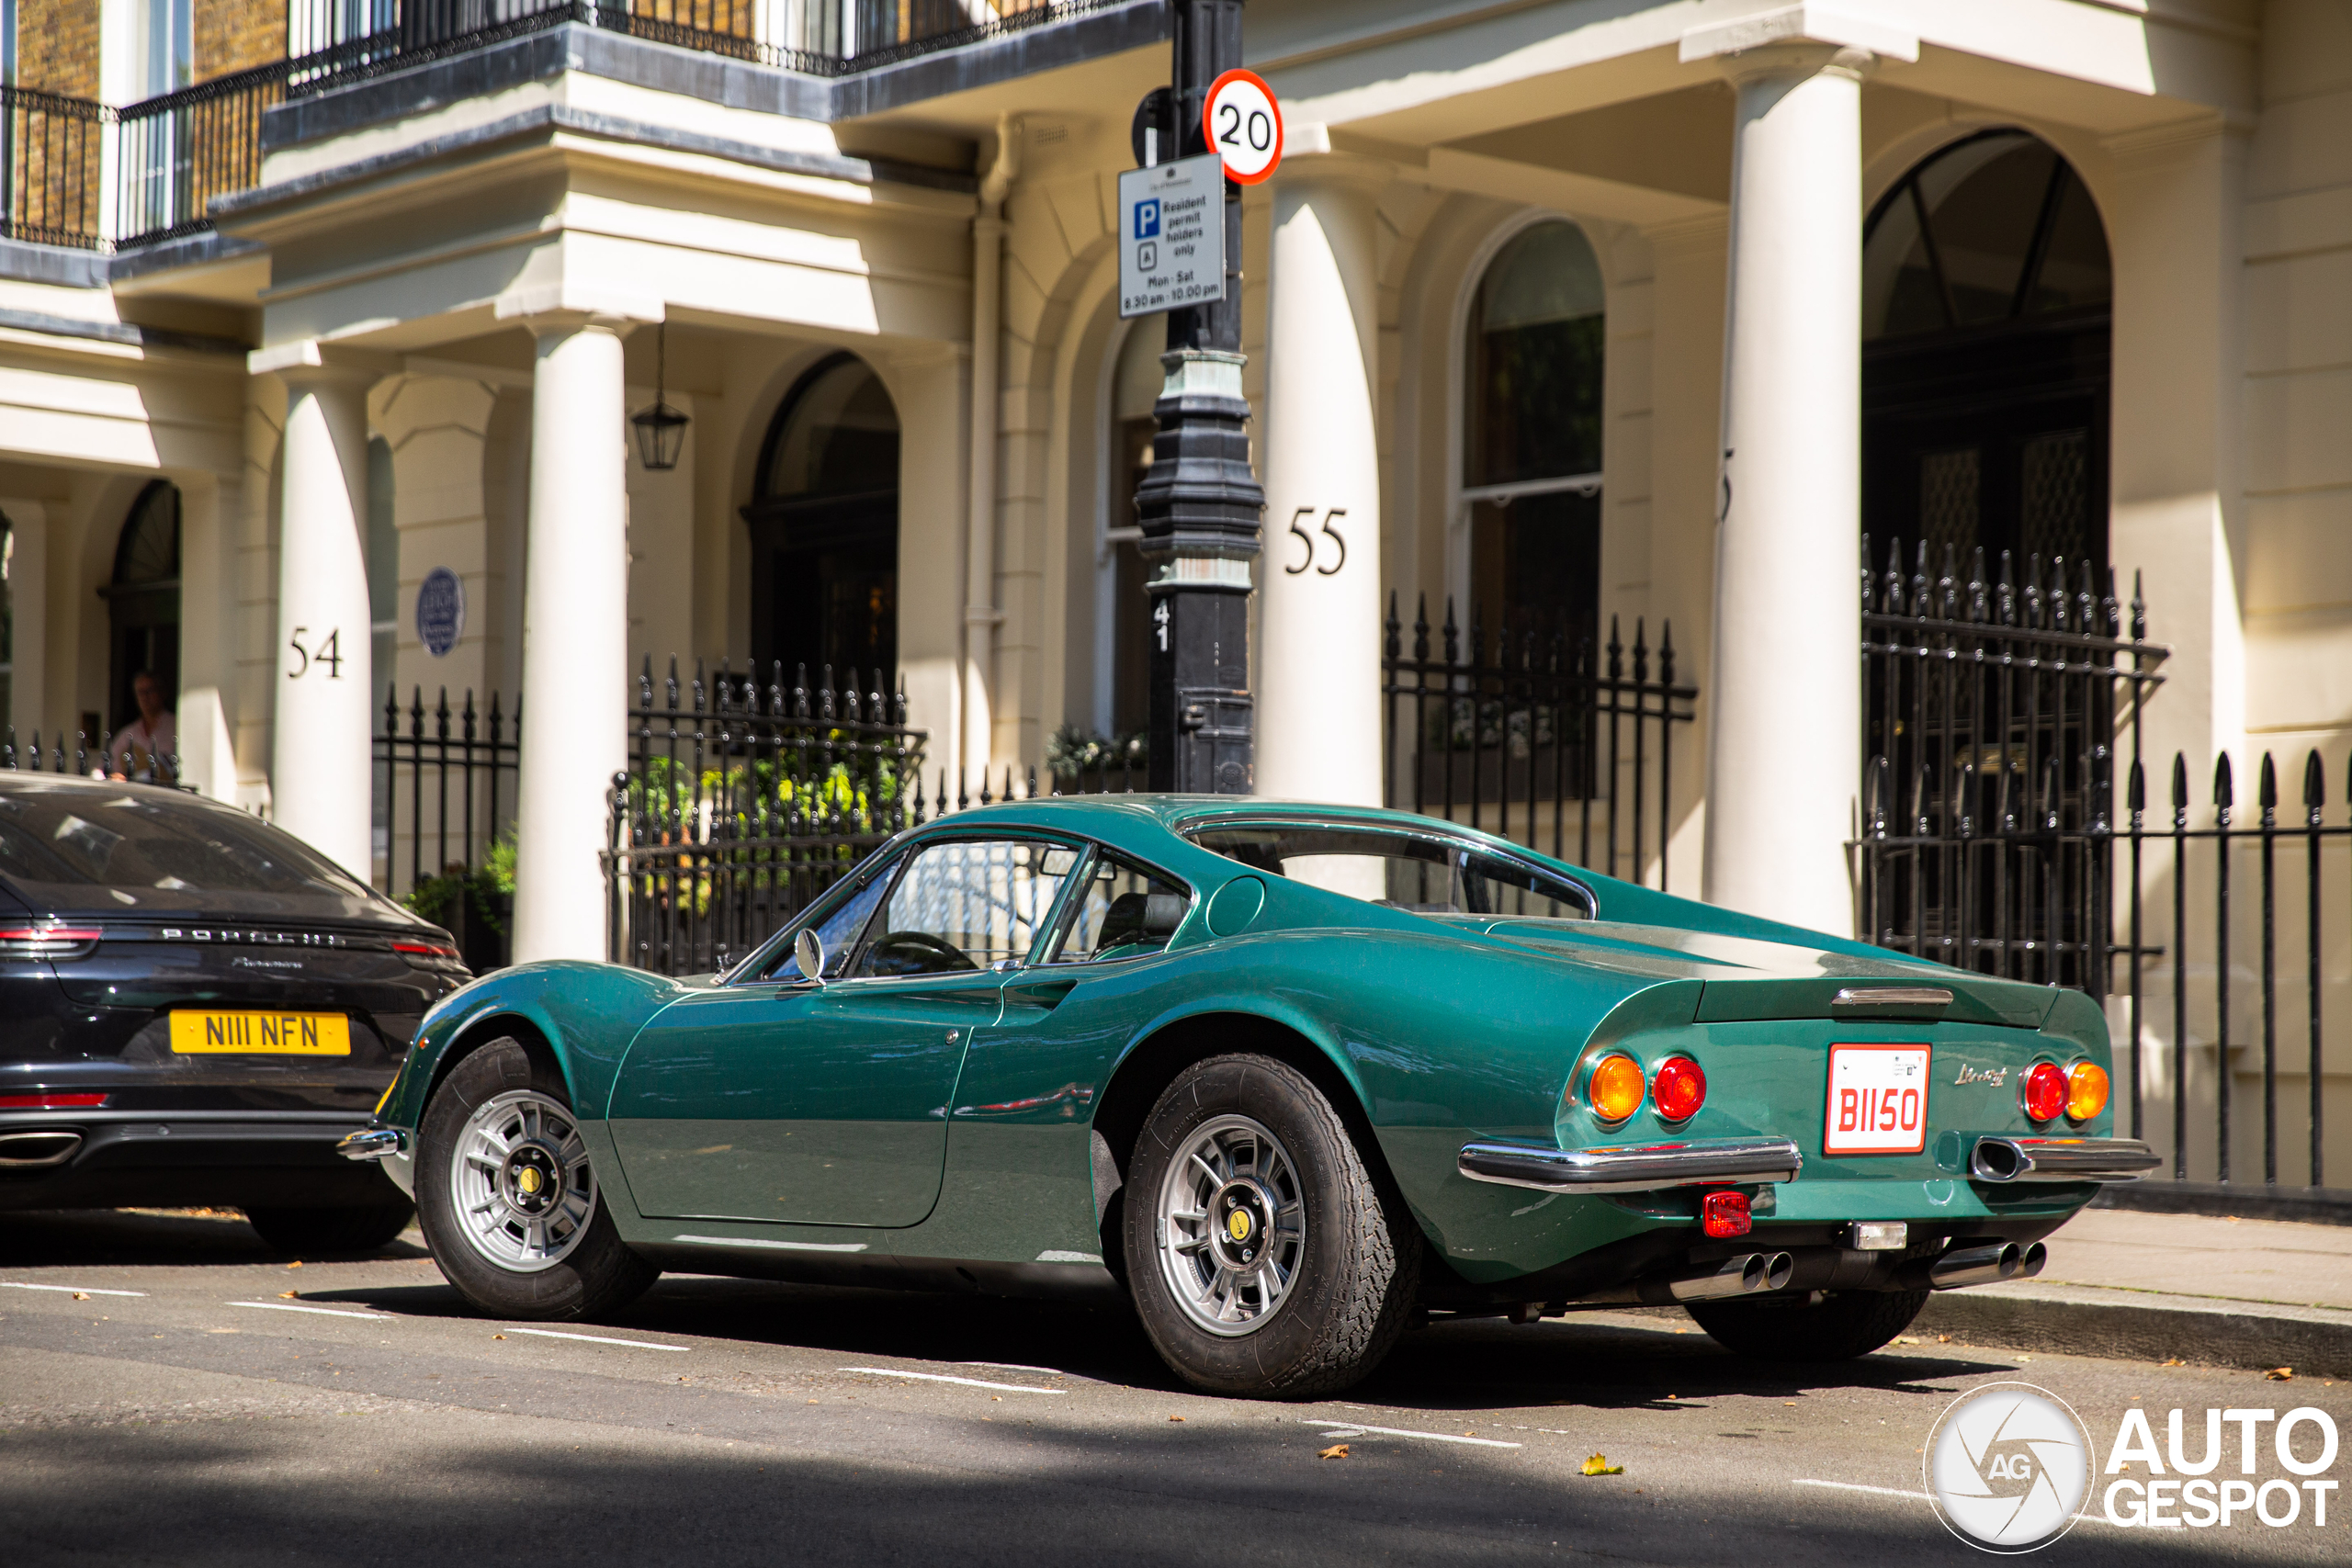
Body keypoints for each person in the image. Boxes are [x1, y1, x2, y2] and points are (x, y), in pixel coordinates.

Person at [105, 671, 177, 784]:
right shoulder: (128, 734)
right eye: (140, 692)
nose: (145, 697)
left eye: (150, 691)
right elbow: (105, 768)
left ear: (162, 693)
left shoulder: (176, 727)